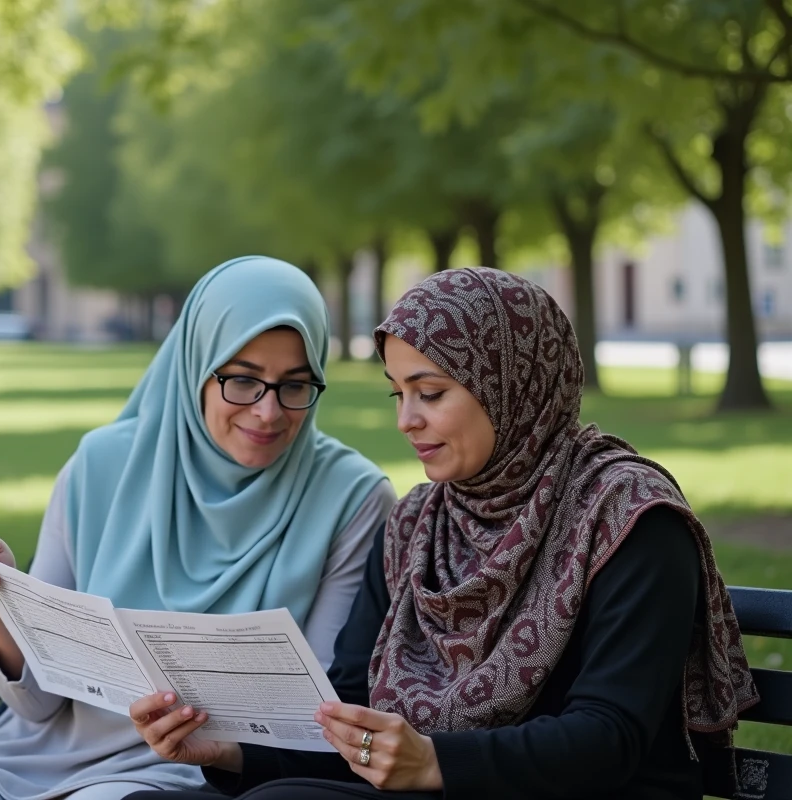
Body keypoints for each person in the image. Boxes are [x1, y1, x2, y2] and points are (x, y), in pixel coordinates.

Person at [127, 267, 759, 800]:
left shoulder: (626, 516)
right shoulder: (417, 526)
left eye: (430, 392)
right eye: (397, 392)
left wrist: (434, 761)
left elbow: (610, 735)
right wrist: (231, 751)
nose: (406, 420)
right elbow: (349, 716)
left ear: (509, 386)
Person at [0, 256, 395, 800]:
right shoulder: (100, 465)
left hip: (197, 773)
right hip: (34, 754)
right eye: (242, 380)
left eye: (295, 385)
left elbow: (311, 719)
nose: (268, 412)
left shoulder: (353, 497)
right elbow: (36, 705)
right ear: (196, 365)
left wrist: (215, 747)